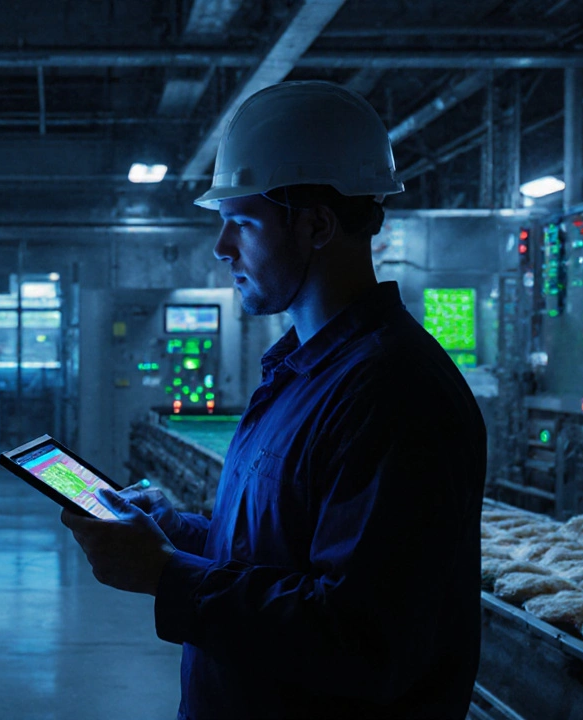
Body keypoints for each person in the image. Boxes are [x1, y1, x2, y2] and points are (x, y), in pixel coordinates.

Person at [61, 81, 486, 719]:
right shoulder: (300, 372)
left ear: (315, 224)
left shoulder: (394, 393)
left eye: (241, 222)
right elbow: (279, 559)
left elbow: (363, 641)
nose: (221, 247)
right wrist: (173, 532)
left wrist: (165, 575)